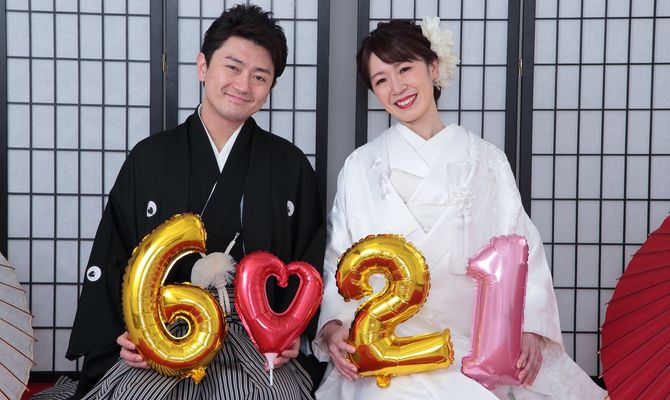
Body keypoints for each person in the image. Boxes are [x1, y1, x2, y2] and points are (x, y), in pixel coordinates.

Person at [32, 4, 325, 400]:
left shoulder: (290, 166)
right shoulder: (150, 157)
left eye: (260, 76)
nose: (243, 85)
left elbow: (307, 263)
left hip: (256, 343)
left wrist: (293, 335)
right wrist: (125, 333)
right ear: (203, 66)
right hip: (163, 336)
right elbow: (114, 253)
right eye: (233, 67)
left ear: (271, 85)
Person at [313, 18, 607, 400]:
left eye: (405, 69)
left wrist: (531, 328)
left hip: (473, 345)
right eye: (381, 79)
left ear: (433, 67)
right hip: (387, 350)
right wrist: (334, 327)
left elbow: (521, 247)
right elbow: (339, 257)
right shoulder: (360, 167)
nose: (397, 87)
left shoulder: (485, 160)